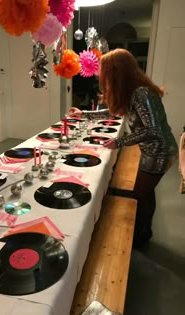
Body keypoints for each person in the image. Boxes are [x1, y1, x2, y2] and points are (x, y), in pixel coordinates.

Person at [69, 48, 178, 248]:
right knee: (146, 192)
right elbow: (111, 111)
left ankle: (142, 234)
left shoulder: (141, 93)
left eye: (104, 70)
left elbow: (153, 130)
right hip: (151, 151)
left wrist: (119, 142)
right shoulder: (132, 91)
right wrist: (83, 114)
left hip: (159, 152)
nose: (101, 75)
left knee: (140, 194)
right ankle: (144, 230)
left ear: (116, 71)